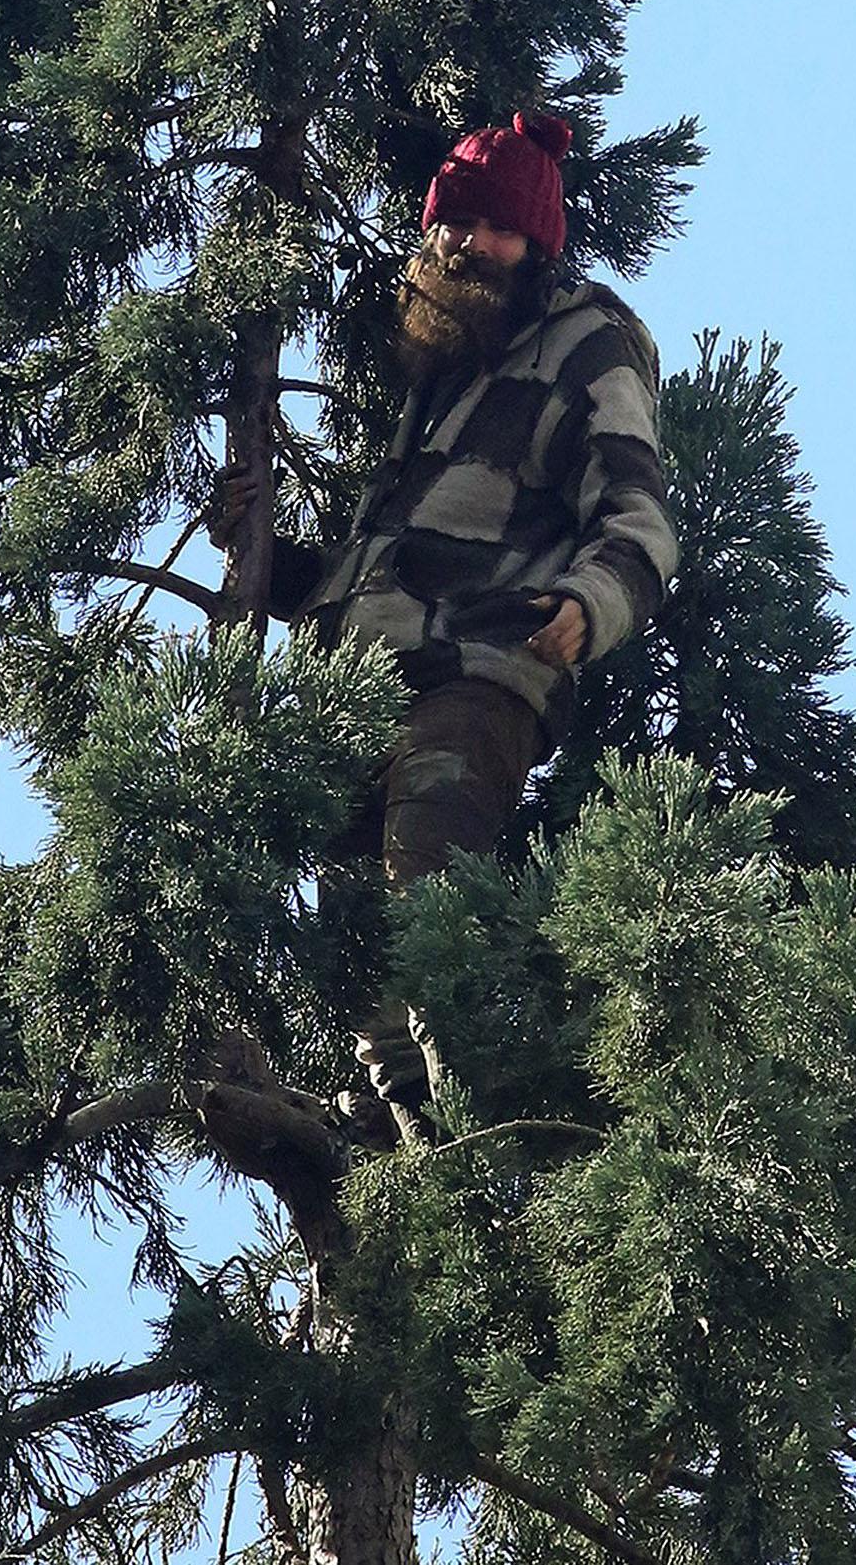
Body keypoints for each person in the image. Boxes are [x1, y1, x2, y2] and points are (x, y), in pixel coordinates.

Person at [213, 112, 678, 1134]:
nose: (459, 242)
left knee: (423, 909)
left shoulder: (588, 341)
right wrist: (263, 556)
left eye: (487, 225)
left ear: (536, 241)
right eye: (447, 223)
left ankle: (475, 1148)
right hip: (357, 686)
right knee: (350, 962)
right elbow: (383, 567)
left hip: (476, 676)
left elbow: (639, 517)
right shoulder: (442, 375)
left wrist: (588, 608)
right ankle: (399, 1147)